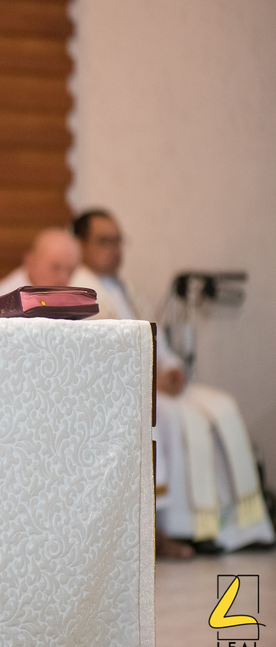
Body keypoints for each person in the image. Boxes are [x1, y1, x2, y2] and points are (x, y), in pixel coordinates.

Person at [71, 209, 274, 555]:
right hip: (126, 392)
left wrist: (172, 367)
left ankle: (237, 524)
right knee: (180, 418)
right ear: (81, 244)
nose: (115, 249)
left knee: (223, 406)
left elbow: (158, 341)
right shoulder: (80, 290)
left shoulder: (127, 288)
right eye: (105, 241)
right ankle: (182, 527)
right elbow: (98, 358)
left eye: (119, 240)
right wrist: (152, 376)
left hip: (156, 382)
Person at [0, 227, 80, 307]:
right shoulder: (1, 302)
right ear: (30, 262)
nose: (63, 278)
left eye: (70, 270)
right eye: (55, 267)